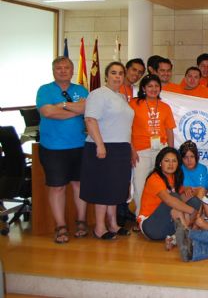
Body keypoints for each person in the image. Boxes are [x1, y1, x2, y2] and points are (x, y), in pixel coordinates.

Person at [36, 56, 89, 243]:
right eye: (59, 68)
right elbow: (47, 112)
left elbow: (87, 109)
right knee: (57, 187)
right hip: (53, 147)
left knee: (79, 185)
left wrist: (63, 106)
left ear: (72, 70)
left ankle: (81, 222)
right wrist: (76, 110)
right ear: (53, 71)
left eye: (67, 67)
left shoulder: (81, 90)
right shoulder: (45, 90)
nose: (63, 71)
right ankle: (60, 226)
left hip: (80, 146)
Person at [80, 61, 134, 240]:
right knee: (103, 189)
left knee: (115, 189)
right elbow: (90, 120)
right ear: (106, 75)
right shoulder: (98, 94)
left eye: (120, 73)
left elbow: (125, 126)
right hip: (104, 147)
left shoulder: (121, 97)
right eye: (113, 72)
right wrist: (100, 145)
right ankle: (99, 227)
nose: (117, 76)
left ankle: (113, 224)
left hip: (120, 148)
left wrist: (130, 148)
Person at [130, 74, 176, 216]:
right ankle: (141, 217)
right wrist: (131, 150)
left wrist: (170, 152)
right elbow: (127, 129)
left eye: (156, 86)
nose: (153, 89)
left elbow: (169, 131)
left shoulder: (165, 107)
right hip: (140, 151)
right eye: (150, 86)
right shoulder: (133, 104)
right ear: (143, 88)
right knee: (140, 185)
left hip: (161, 150)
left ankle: (159, 217)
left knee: (163, 185)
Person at [137, 147, 201, 241]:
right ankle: (187, 234)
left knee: (195, 201)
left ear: (178, 164)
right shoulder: (154, 178)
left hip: (166, 224)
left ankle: (175, 237)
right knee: (174, 198)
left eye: (174, 161)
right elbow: (168, 200)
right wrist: (192, 211)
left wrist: (187, 189)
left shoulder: (174, 176)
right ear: (160, 163)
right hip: (150, 226)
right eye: (167, 161)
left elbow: (181, 196)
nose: (171, 164)